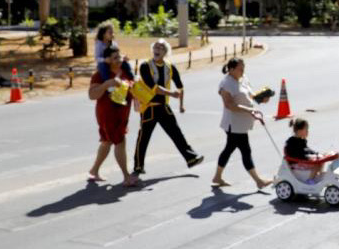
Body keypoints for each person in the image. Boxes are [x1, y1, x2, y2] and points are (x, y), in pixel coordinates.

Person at [133, 39, 204, 175]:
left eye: (160, 48)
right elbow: (153, 87)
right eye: (155, 47)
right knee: (144, 137)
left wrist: (181, 105)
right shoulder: (145, 66)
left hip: (164, 107)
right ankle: (138, 165)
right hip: (149, 108)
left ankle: (191, 158)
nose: (157, 50)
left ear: (165, 52)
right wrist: (171, 93)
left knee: (176, 133)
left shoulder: (170, 67)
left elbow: (180, 86)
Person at [212, 57, 271, 189]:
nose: (243, 71)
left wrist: (261, 98)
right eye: (240, 68)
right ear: (231, 69)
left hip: (242, 124)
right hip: (233, 124)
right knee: (245, 150)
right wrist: (250, 110)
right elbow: (229, 105)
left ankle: (217, 177)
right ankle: (258, 181)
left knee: (229, 149)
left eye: (243, 68)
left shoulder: (243, 78)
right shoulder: (225, 84)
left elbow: (250, 96)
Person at [87, 46, 140, 187]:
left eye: (119, 56)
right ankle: (126, 176)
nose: (119, 60)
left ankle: (94, 170)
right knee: (120, 142)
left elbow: (134, 89)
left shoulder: (126, 72)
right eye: (115, 57)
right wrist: (105, 85)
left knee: (107, 141)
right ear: (108, 60)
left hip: (123, 114)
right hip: (107, 115)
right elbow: (92, 95)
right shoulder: (100, 75)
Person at [284, 117, 324, 181]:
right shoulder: (292, 142)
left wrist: (316, 154)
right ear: (300, 131)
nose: (308, 131)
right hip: (295, 164)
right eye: (306, 129)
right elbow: (298, 154)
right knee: (316, 165)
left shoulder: (301, 140)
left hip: (300, 161)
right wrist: (309, 158)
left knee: (321, 161)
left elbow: (307, 150)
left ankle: (316, 177)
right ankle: (310, 180)